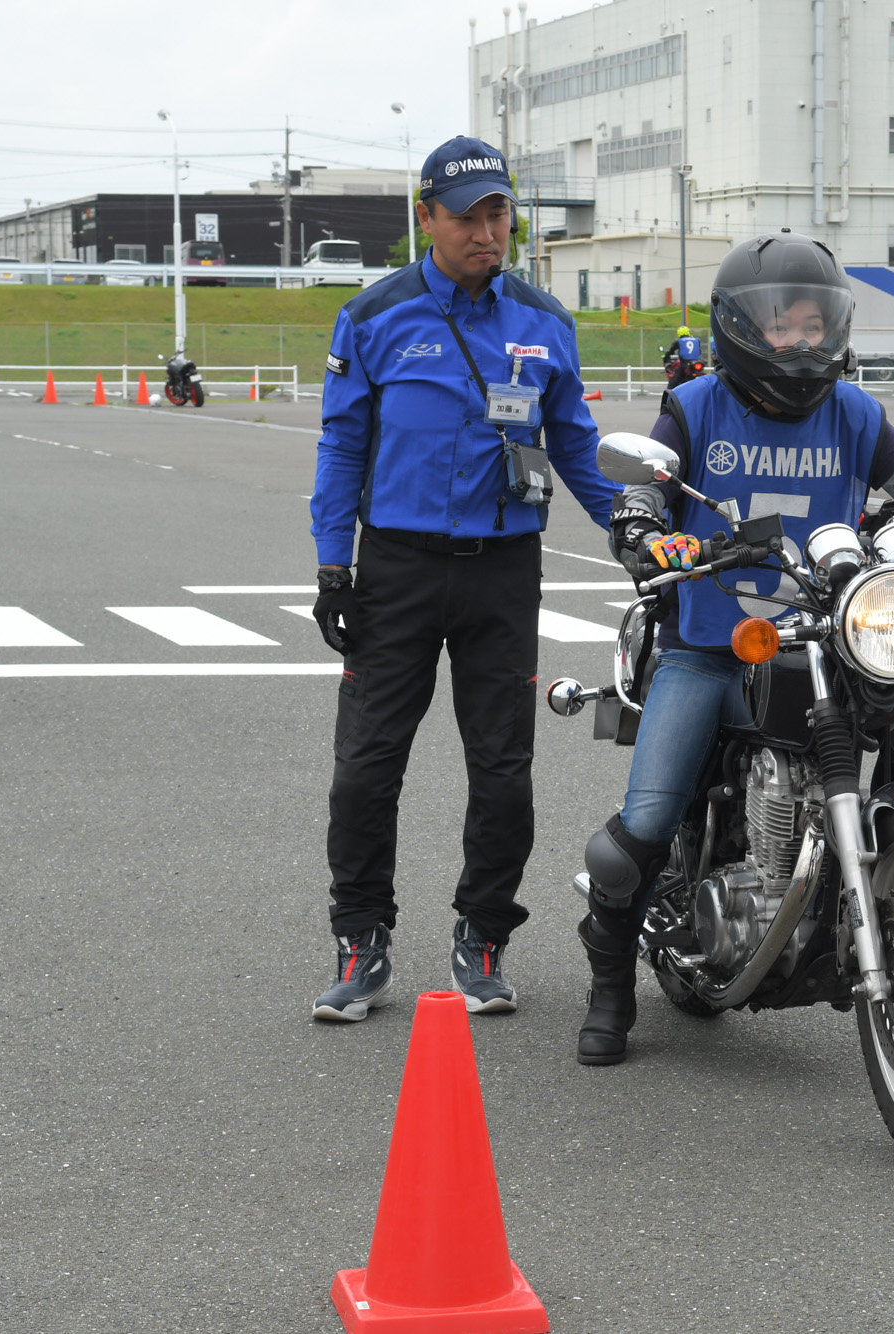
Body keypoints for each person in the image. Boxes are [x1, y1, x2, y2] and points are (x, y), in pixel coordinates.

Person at [571, 229, 894, 1065]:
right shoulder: (699, 404)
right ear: (742, 328)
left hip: (832, 632)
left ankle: (888, 899)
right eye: (783, 325)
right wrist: (647, 529)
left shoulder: (854, 411)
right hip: (715, 643)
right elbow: (646, 485)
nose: (802, 340)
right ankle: (609, 985)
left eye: (816, 324)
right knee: (645, 822)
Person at [308, 135, 617, 1023]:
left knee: (503, 770)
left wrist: (635, 532)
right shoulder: (375, 317)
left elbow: (577, 451)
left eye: (500, 215)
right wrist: (334, 564)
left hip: (503, 573)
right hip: (395, 570)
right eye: (468, 217)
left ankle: (483, 938)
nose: (488, 233)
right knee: (364, 770)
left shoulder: (544, 321)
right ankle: (360, 941)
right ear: (427, 220)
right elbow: (342, 445)